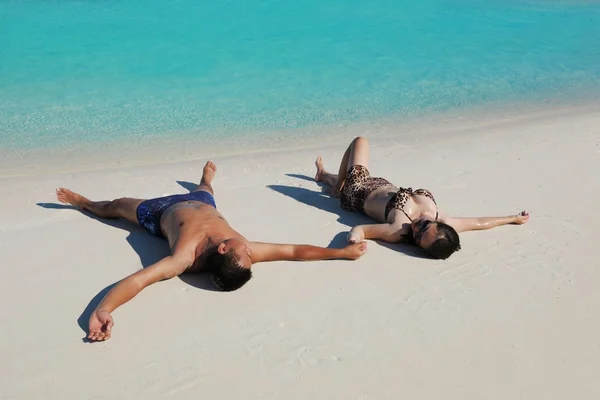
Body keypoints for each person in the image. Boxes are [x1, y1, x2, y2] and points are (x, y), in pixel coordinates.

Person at [57, 161, 367, 341]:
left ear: (222, 249)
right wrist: (340, 253)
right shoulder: (241, 253)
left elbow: (139, 280)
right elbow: (292, 250)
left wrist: (104, 309)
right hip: (204, 204)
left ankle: (83, 203)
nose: (249, 247)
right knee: (206, 190)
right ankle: (205, 179)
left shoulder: (183, 257)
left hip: (159, 212)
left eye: (243, 249)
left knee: (115, 206)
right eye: (246, 250)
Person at [314, 137, 530, 259]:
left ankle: (339, 186)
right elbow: (480, 223)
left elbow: (362, 229)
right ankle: (325, 176)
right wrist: (512, 218)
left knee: (360, 141)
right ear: (439, 223)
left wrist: (354, 239)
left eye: (417, 238)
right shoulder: (447, 220)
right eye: (424, 227)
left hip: (358, 191)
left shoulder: (398, 230)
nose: (416, 229)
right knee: (338, 176)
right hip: (382, 184)